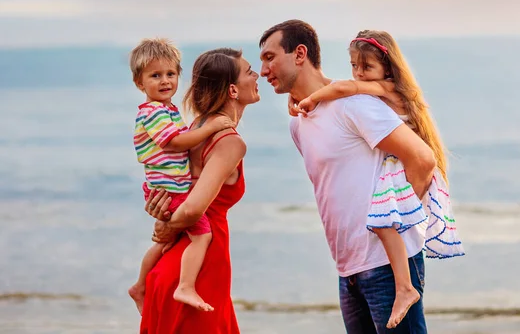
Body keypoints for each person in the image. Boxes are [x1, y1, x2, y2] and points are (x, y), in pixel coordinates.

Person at [259, 20, 434, 333]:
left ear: (300, 54)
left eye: (270, 57)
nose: (263, 70)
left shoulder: (354, 105)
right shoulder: (298, 124)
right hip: (348, 272)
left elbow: (421, 159)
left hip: (386, 267)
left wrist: (400, 213)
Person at [291, 30, 465, 327]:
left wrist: (311, 98)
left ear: (387, 66)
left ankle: (405, 287)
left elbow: (342, 88)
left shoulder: (385, 88)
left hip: (396, 168)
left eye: (366, 67)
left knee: (383, 222)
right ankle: (404, 286)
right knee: (383, 223)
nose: (359, 74)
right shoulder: (377, 89)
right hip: (390, 173)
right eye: (354, 66)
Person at [140, 48, 260, 334]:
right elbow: (194, 208)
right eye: (249, 71)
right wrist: (168, 227)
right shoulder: (229, 142)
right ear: (232, 89)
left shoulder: (196, 128)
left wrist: (166, 220)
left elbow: (172, 186)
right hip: (202, 268)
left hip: (173, 265)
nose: (257, 76)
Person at [128, 38, 236, 314]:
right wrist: (212, 127)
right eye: (155, 76)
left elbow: (183, 140)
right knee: (201, 235)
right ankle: (185, 286)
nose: (165, 81)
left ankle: (139, 285)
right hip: (170, 189)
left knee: (166, 240)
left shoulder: (167, 110)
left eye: (170, 74)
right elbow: (175, 142)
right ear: (140, 83)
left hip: (168, 187)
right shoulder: (153, 112)